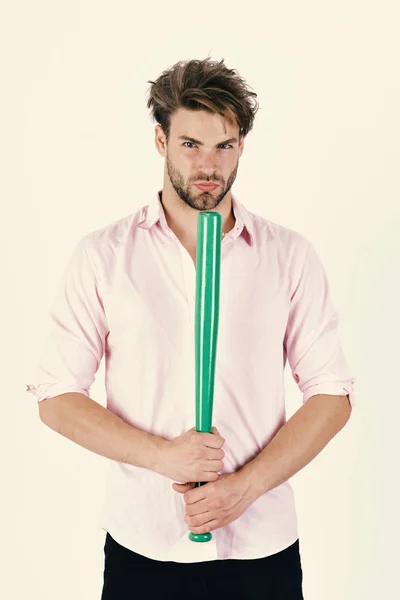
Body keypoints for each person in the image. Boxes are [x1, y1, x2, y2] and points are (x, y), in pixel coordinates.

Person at [26, 57, 356, 599]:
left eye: (224, 145)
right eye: (190, 144)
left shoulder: (288, 256)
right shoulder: (103, 256)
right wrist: (162, 456)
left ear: (242, 146)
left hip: (260, 548)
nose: (208, 164)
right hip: (144, 545)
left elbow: (331, 393)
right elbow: (56, 395)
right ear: (160, 139)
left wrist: (244, 487)